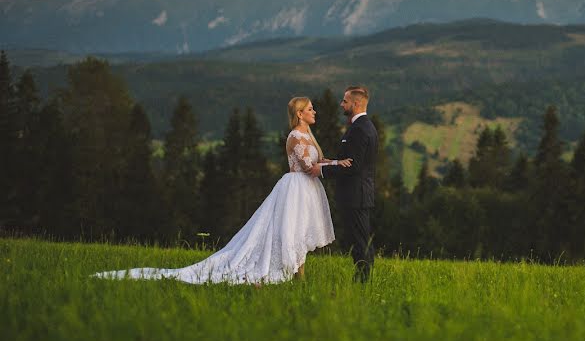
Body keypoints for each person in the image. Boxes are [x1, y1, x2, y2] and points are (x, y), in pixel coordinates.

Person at [93, 97, 351, 284]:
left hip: (309, 189)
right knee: (292, 230)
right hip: (296, 188)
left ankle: (298, 275)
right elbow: (307, 166)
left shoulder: (308, 136)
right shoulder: (295, 136)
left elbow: (320, 158)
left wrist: (335, 163)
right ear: (299, 114)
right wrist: (329, 168)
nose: (314, 111)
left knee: (301, 231)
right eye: (309, 109)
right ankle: (296, 277)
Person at [306, 86, 378, 283]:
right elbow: (349, 161)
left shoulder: (360, 129)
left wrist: (320, 170)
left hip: (356, 195)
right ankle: (363, 277)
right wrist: (331, 162)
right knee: (359, 238)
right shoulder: (360, 126)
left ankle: (363, 279)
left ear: (355, 103)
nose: (341, 104)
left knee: (360, 240)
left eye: (345, 101)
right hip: (356, 194)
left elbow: (353, 167)